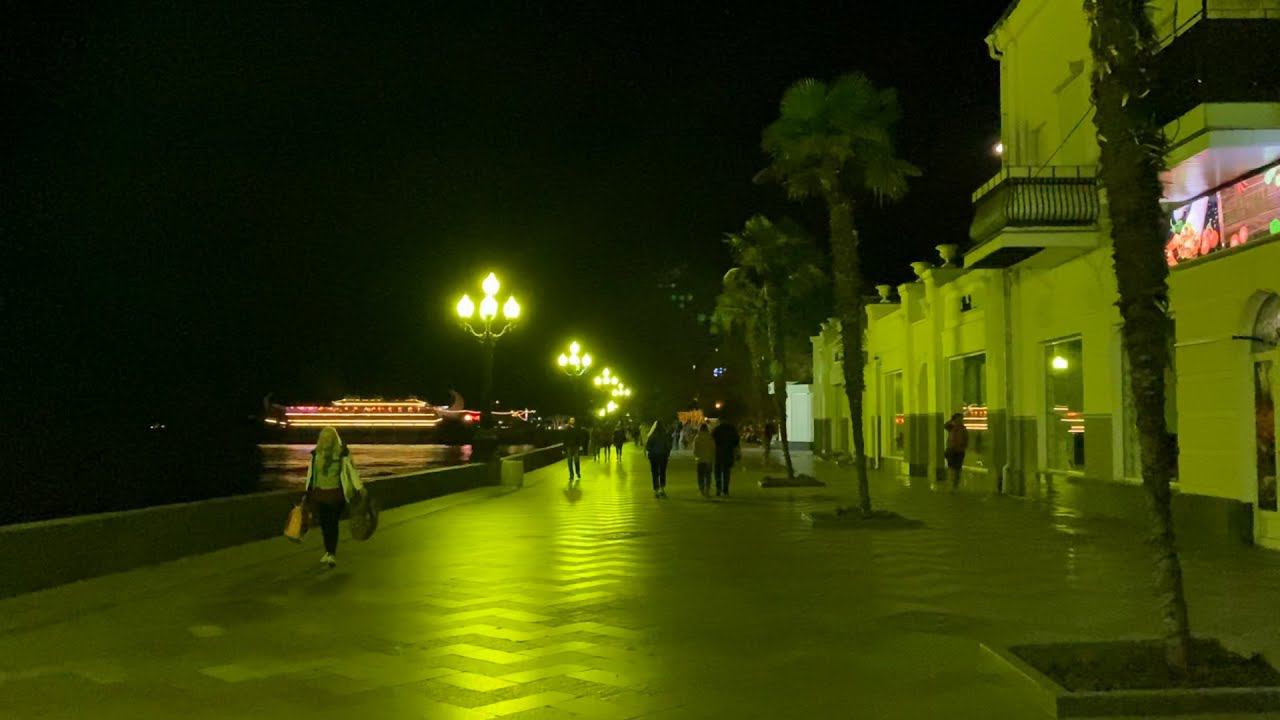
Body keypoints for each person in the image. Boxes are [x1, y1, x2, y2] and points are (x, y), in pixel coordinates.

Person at [304, 426, 365, 568]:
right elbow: (311, 475)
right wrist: (307, 491)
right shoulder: (316, 454)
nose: (326, 440)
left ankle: (331, 554)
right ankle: (328, 551)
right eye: (324, 438)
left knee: (332, 523)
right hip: (320, 494)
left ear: (334, 439)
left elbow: (352, 471)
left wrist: (359, 487)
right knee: (325, 525)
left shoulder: (343, 454)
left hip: (336, 495)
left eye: (329, 438)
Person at [711, 417, 740, 497]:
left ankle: (718, 489)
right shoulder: (732, 429)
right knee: (726, 473)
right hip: (728, 454)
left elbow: (711, 441)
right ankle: (725, 490)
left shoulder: (716, 430)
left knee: (717, 473)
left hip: (718, 454)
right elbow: (736, 442)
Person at [646, 419, 673, 498]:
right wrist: (667, 452)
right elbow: (668, 446)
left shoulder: (652, 436)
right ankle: (662, 488)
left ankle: (656, 489)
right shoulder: (665, 435)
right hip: (663, 456)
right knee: (662, 472)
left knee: (654, 473)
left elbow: (648, 447)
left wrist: (652, 451)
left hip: (653, 457)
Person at [943, 412, 969, 485]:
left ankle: (955, 482)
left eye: (961, 419)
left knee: (958, 468)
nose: (960, 420)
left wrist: (963, 447)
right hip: (951, 450)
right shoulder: (951, 427)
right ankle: (952, 481)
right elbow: (945, 425)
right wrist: (952, 420)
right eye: (958, 419)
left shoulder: (963, 429)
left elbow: (966, 439)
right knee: (951, 467)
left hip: (960, 451)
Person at [692, 422, 715, 497]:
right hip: (708, 460)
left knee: (700, 476)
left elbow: (695, 449)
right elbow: (713, 448)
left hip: (700, 460)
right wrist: (712, 457)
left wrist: (696, 457)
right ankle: (707, 489)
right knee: (708, 476)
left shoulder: (697, 437)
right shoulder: (710, 438)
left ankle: (701, 489)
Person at [563, 417, 584, 484]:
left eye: (573, 420)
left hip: (576, 446)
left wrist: (580, 445)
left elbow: (579, 437)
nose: (572, 421)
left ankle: (578, 472)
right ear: (569, 421)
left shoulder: (577, 428)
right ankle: (571, 475)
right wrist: (563, 449)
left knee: (576, 460)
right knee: (569, 461)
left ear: (574, 421)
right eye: (571, 420)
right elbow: (564, 439)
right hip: (569, 446)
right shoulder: (567, 428)